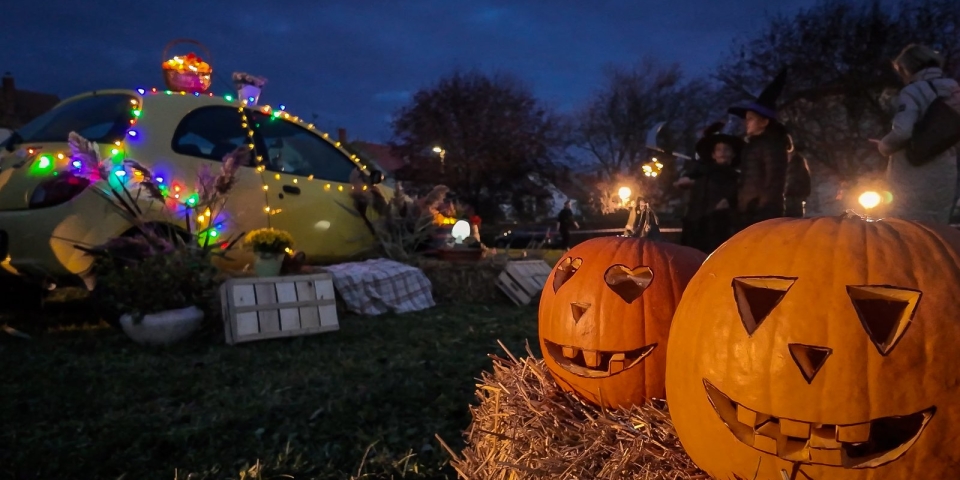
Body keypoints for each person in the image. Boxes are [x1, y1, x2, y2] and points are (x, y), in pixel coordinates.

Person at [873, 44, 960, 224]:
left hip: (913, 173)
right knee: (938, 231)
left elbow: (903, 132)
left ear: (906, 68)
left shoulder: (913, 91)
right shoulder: (954, 90)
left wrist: (884, 146)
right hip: (947, 172)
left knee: (906, 231)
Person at [728, 68, 792, 230]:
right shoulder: (752, 146)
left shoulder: (772, 145)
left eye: (750, 118)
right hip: (748, 211)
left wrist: (764, 210)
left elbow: (775, 180)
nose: (746, 122)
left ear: (764, 122)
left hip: (762, 214)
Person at [675, 121, 742, 253]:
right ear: (713, 155)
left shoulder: (736, 177)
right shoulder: (702, 172)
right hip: (696, 225)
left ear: (733, 154)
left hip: (720, 227)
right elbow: (682, 182)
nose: (722, 152)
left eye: (726, 149)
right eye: (718, 149)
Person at [784, 151, 812, 217]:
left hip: (792, 196)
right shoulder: (802, 169)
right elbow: (807, 183)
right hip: (797, 197)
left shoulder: (792, 169)